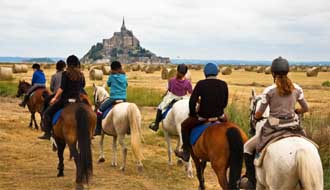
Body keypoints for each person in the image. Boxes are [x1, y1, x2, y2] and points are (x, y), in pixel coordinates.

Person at [239, 57, 309, 189]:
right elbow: (306, 108)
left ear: (273, 73)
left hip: (274, 124)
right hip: (293, 125)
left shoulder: (269, 91)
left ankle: (251, 180)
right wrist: (297, 111)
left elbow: (259, 114)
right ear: (287, 72)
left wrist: (258, 116)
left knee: (247, 147)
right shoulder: (297, 89)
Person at [175, 63, 228, 162]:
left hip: (203, 117)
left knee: (184, 126)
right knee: (229, 125)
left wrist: (193, 114)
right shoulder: (223, 84)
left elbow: (192, 101)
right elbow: (224, 103)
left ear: (205, 73)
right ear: (216, 73)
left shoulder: (201, 84)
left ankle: (186, 152)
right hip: (219, 116)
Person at [38, 55, 86, 140]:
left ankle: (47, 133)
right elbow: (83, 86)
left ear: (68, 63)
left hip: (65, 100)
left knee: (47, 113)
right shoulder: (81, 75)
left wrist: (55, 98)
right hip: (77, 101)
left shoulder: (65, 73)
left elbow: (62, 88)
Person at [149, 64, 192, 132]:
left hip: (173, 97)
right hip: (183, 98)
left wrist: (163, 95)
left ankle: (156, 124)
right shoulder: (187, 82)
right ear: (185, 73)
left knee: (160, 107)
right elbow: (190, 91)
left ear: (177, 71)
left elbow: (170, 90)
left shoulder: (171, 80)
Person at [94, 61, 127, 136]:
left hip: (113, 98)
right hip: (124, 99)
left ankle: (98, 129)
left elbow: (108, 84)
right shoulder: (124, 76)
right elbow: (126, 84)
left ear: (112, 69)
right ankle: (128, 129)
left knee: (99, 111)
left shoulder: (111, 77)